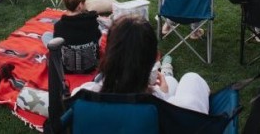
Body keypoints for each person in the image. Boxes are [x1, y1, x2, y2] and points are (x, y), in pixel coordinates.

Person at [73, 15, 211, 115]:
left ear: (108, 54)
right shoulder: (161, 105)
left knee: (169, 82)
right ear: (156, 57)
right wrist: (164, 95)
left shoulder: (83, 95)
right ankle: (167, 73)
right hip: (166, 110)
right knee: (190, 78)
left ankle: (168, 74)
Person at [42, 0, 103, 73]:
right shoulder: (92, 21)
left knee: (46, 36)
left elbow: (57, 43)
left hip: (67, 68)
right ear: (80, 5)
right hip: (90, 66)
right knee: (99, 28)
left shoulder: (59, 26)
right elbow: (98, 35)